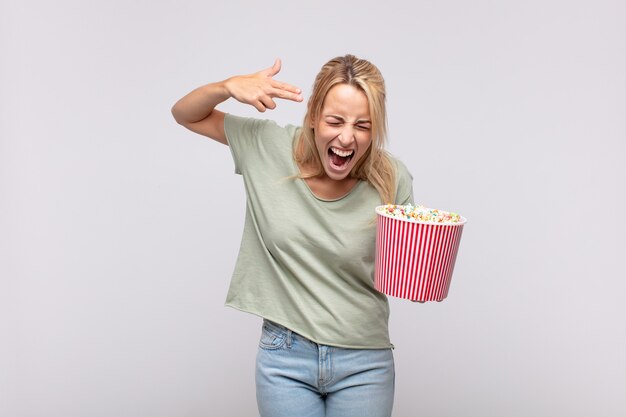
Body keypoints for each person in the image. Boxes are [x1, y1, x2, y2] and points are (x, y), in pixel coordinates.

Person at [171, 54, 413, 417]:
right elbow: (184, 113)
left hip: (364, 358)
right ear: (314, 116)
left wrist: (421, 275)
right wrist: (226, 87)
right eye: (335, 121)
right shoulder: (266, 146)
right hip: (285, 356)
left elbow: (404, 268)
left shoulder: (392, 176)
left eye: (363, 125)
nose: (347, 137)